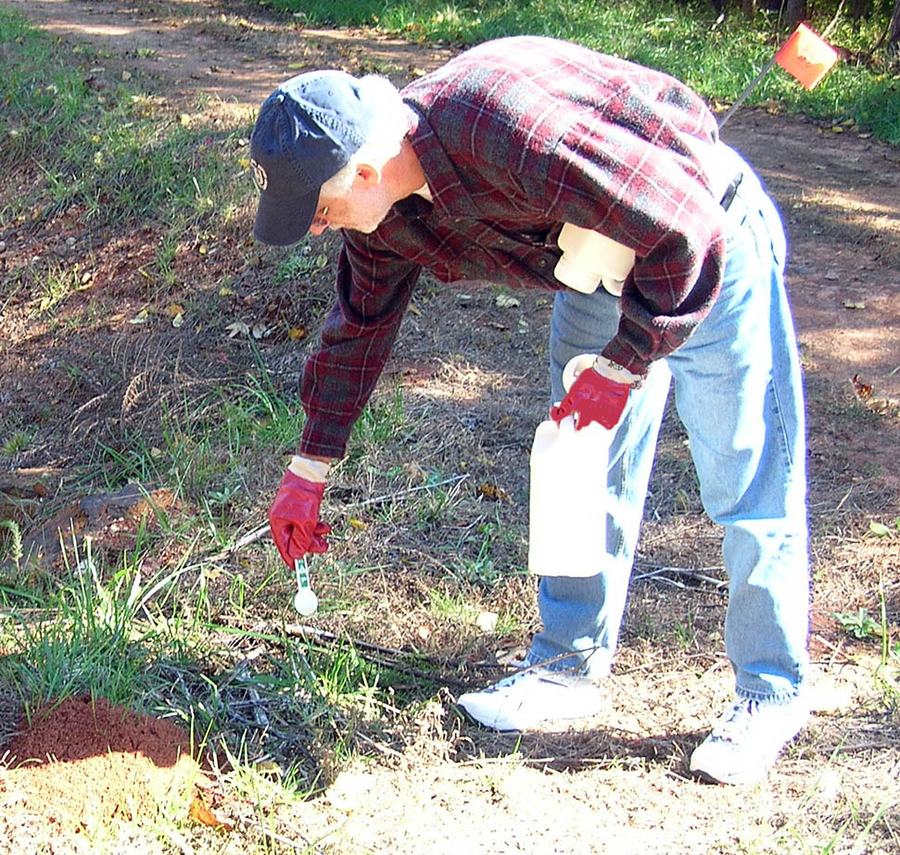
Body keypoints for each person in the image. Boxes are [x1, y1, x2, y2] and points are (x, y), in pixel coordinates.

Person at [252, 35, 810, 786]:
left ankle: (770, 691)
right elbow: (359, 324)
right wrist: (309, 465)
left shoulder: (498, 124)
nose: (319, 228)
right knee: (577, 463)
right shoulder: (383, 212)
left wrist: (624, 364)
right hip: (597, 262)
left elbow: (686, 230)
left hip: (704, 238)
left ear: (363, 167)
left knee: (744, 471)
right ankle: (567, 664)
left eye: (320, 209)